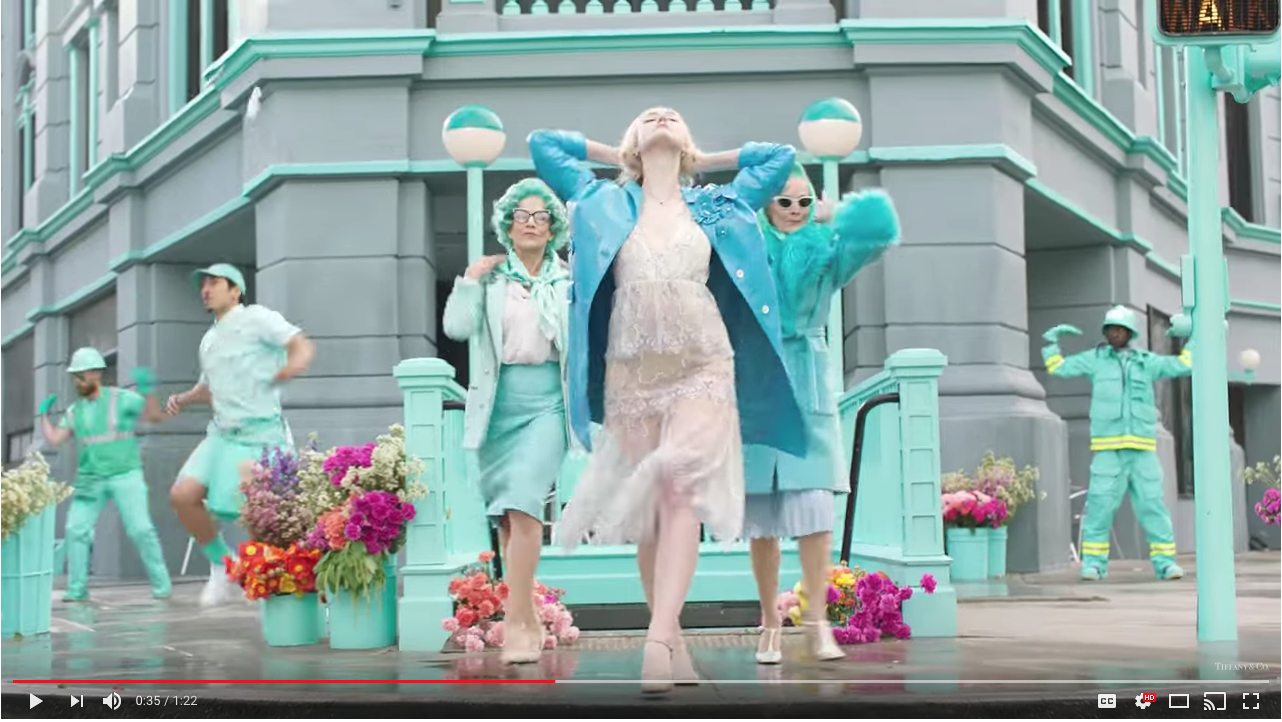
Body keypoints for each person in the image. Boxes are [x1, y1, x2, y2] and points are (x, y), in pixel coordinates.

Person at [529, 109, 807, 695]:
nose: (661, 116)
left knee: (679, 485)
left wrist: (702, 159)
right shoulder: (602, 200)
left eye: (673, 116)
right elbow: (544, 145)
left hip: (703, 361)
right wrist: (622, 153)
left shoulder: (716, 204)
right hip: (631, 370)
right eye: (648, 117)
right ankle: (674, 640)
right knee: (655, 509)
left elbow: (778, 158)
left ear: (687, 142)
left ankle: (655, 639)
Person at [743, 163, 900, 665]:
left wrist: (837, 215)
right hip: (756, 381)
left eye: (803, 201)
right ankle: (770, 623)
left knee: (815, 511)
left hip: (807, 378)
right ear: (767, 204)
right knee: (762, 518)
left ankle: (816, 622)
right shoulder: (746, 247)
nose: (794, 210)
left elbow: (877, 236)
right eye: (784, 201)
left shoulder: (825, 250)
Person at [442, 178, 572, 665]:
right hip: (499, 407)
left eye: (541, 217)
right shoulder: (492, 282)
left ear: (552, 228)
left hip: (548, 404)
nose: (531, 223)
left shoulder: (569, 282)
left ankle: (518, 620)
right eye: (522, 216)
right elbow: (456, 328)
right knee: (507, 519)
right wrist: (470, 279)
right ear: (508, 226)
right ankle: (527, 612)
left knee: (525, 504)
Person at [167, 263, 315, 606]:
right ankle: (222, 566)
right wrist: (184, 399)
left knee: (261, 518)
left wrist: (293, 365)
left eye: (214, 282)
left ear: (235, 290)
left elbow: (300, 344)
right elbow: (209, 388)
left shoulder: (258, 318)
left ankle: (276, 584)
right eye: (203, 284)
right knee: (183, 496)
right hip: (221, 435)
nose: (206, 289)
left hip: (261, 435)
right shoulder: (208, 340)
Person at [1041, 305, 1190, 581]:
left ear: (1130, 332)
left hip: (1142, 449)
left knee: (1153, 506)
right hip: (1108, 449)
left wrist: (1193, 338)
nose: (1115, 333)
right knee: (1099, 507)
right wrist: (1051, 344)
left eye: (1120, 329)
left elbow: (1183, 364)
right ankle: (1093, 564)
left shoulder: (1146, 361)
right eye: (1111, 329)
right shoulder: (1095, 359)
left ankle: (1166, 563)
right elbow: (1058, 367)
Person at [39, 348, 173, 602]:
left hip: (125, 474)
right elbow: (56, 439)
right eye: (75, 377)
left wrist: (148, 392)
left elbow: (154, 417)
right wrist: (44, 416)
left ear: (96, 374)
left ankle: (162, 585)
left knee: (141, 529)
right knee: (75, 530)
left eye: (81, 376)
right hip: (91, 478)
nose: (77, 382)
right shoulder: (75, 411)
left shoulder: (120, 399)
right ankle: (77, 589)